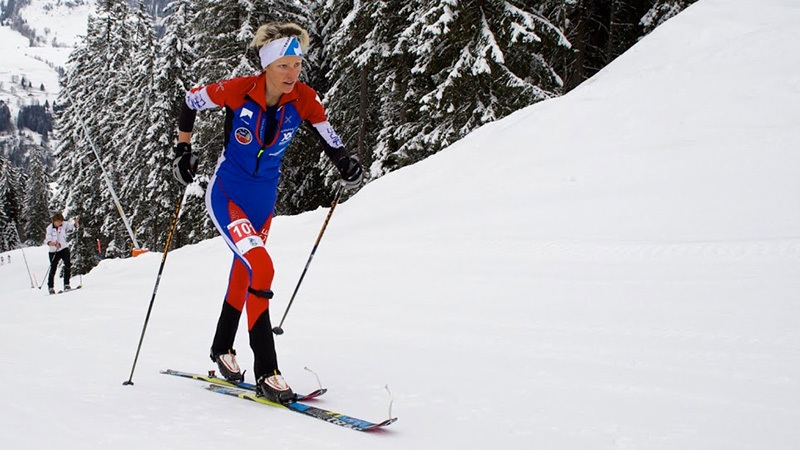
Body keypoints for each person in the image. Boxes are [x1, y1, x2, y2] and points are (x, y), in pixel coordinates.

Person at [171, 22, 363, 403]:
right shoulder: (238, 90)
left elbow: (330, 138)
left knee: (245, 272)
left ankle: (222, 347)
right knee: (262, 267)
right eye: (284, 66)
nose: (292, 74)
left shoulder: (305, 98)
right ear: (266, 66)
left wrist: (346, 163)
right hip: (227, 195)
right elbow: (189, 102)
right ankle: (267, 371)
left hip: (263, 204)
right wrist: (181, 152)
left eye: (297, 65)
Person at [44, 212, 79, 295]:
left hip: (63, 248)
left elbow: (71, 226)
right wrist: (54, 244)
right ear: (54, 221)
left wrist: (75, 223)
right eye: (58, 222)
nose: (60, 223)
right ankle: (51, 287)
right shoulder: (49, 228)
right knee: (53, 268)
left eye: (61, 222)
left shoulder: (63, 224)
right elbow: (47, 240)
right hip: (54, 251)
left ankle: (66, 284)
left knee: (67, 264)